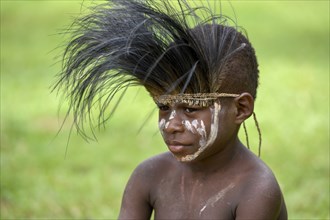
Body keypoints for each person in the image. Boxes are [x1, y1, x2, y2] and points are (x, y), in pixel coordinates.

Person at [54, 0, 287, 219]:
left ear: (240, 109)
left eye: (191, 108)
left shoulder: (256, 189)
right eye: (164, 106)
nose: (172, 124)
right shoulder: (150, 175)